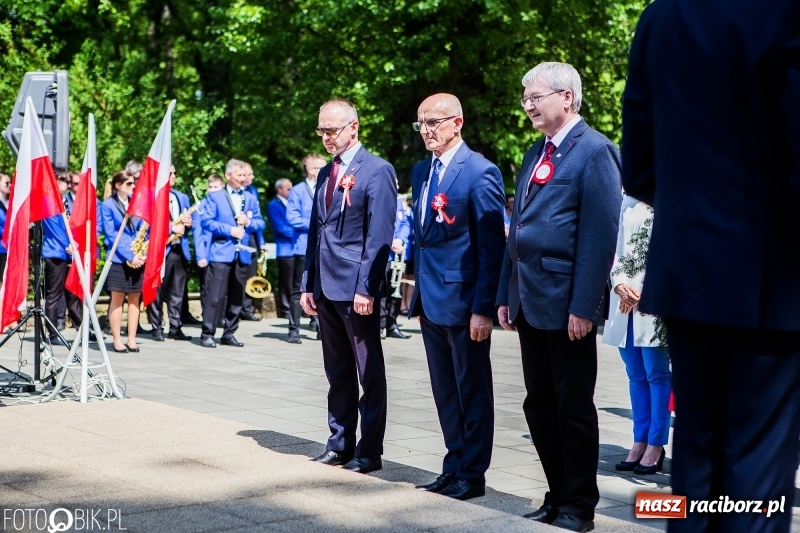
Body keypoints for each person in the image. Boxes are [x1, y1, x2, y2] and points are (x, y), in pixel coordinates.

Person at [621, 3, 800, 532]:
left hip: (688, 268)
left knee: (697, 458)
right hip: (771, 272)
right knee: (758, 469)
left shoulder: (661, 16)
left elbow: (640, 167)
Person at [496, 62, 621, 532]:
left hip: (566, 301)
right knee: (538, 404)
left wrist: (584, 305)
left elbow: (599, 234)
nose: (528, 104)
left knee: (573, 407)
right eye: (525, 96)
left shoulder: (595, 151)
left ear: (566, 97)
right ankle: (556, 492)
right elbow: (519, 227)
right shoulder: (535, 150)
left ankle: (579, 504)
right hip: (529, 299)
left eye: (536, 96)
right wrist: (506, 291)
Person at [408, 93, 505, 501]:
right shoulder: (420, 171)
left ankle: (473, 472)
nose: (427, 130)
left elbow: (491, 249)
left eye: (434, 122)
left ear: (457, 123)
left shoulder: (480, 172)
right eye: (421, 124)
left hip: (465, 303)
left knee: (472, 389)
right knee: (444, 389)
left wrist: (483, 309)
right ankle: (453, 463)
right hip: (430, 301)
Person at [301, 99, 396, 474]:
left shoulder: (377, 170)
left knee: (367, 371)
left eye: (332, 130)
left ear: (354, 127)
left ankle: (369, 450)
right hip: (325, 285)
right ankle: (339, 442)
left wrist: (366, 288)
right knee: (336, 370)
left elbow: (379, 234)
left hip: (356, 288)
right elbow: (316, 231)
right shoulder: (326, 173)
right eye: (321, 130)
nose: (326, 137)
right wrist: (308, 282)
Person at [602, 196, 670, 475]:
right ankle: (639, 440)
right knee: (635, 373)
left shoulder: (669, 197)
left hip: (653, 298)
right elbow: (612, 249)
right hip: (623, 299)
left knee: (657, 373)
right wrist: (618, 284)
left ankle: (656, 443)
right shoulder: (622, 202)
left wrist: (648, 290)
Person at [199, 159, 265, 348]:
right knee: (216, 296)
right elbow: (207, 222)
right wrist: (229, 230)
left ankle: (229, 332)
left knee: (237, 297)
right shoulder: (215, 196)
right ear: (228, 176)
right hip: (221, 252)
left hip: (243, 253)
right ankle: (207, 333)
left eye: (245, 175)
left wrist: (248, 222)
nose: (243, 179)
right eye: (239, 175)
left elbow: (261, 223)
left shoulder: (251, 197)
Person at [100, 171, 147, 353]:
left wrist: (142, 254)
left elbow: (145, 228)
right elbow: (112, 235)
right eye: (128, 184)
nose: (133, 187)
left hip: (138, 256)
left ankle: (132, 339)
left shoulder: (137, 204)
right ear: (118, 186)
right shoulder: (107, 205)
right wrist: (130, 255)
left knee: (135, 299)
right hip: (120, 258)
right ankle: (117, 339)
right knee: (117, 299)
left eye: (133, 183)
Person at [146, 165, 193, 342]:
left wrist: (189, 222)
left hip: (179, 249)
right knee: (158, 290)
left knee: (177, 291)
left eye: (174, 173)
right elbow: (148, 224)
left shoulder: (181, 197)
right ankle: (156, 327)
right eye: (169, 173)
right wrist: (171, 227)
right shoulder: (153, 197)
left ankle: (175, 326)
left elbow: (191, 224)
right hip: (160, 250)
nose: (173, 176)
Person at [41, 173, 84, 345]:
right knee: (53, 296)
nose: (67, 184)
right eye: (65, 181)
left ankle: (82, 329)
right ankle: (52, 333)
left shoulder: (62, 200)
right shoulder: (48, 201)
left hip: (67, 252)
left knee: (72, 294)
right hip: (56, 253)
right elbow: (56, 229)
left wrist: (75, 243)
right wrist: (71, 243)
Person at [287, 154, 325, 338]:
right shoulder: (297, 190)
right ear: (311, 170)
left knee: (321, 288)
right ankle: (294, 330)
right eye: (321, 167)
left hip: (325, 248)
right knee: (299, 289)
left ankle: (320, 328)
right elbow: (292, 218)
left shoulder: (327, 186)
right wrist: (317, 223)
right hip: (303, 248)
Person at [267, 178, 298, 342]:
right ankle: (285, 309)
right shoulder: (274, 204)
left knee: (296, 281)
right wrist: (299, 233)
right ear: (279, 190)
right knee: (286, 281)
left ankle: (294, 308)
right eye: (288, 188)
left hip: (296, 248)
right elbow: (280, 227)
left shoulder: (291, 203)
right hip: (285, 248)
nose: (291, 191)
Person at [379, 195, 412, 340]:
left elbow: (405, 223)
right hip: (383, 253)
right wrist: (390, 239)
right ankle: (380, 324)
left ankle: (392, 324)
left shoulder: (399, 203)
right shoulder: (380, 200)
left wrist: (399, 239)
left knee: (396, 290)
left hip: (397, 254)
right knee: (382, 291)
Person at [193, 174, 224, 309]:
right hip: (207, 252)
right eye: (210, 187)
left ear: (222, 187)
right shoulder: (200, 206)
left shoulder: (226, 204)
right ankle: (207, 315)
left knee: (223, 287)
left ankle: (221, 316)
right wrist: (201, 256)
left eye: (215, 187)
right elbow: (197, 232)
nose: (212, 190)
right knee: (207, 286)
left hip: (222, 252)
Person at [240, 162, 263, 321]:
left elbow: (258, 220)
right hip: (236, 238)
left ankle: (247, 309)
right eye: (249, 174)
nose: (252, 177)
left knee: (251, 273)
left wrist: (261, 242)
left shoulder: (253, 191)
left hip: (252, 236)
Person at [0, 172, 11, 292]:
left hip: (6, 248)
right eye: (6, 183)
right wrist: (10, 231)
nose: (10, 185)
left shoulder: (7, 204)